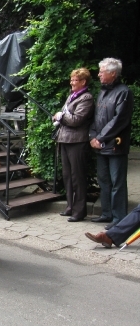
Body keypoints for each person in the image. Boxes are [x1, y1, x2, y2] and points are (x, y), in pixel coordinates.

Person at [89, 58, 134, 230]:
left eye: (102, 71)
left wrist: (100, 138)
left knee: (117, 182)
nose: (99, 74)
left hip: (115, 145)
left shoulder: (124, 92)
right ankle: (106, 213)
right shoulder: (102, 92)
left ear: (113, 73)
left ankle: (119, 217)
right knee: (104, 180)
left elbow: (119, 120)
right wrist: (92, 136)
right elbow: (96, 117)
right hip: (100, 144)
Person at [52, 68, 95, 222]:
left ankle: (79, 211)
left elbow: (76, 120)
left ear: (83, 82)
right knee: (67, 176)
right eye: (71, 79)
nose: (71, 82)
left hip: (77, 141)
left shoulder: (87, 98)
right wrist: (59, 117)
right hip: (64, 139)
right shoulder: (72, 96)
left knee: (78, 177)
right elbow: (65, 115)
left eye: (75, 80)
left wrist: (60, 116)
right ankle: (70, 206)